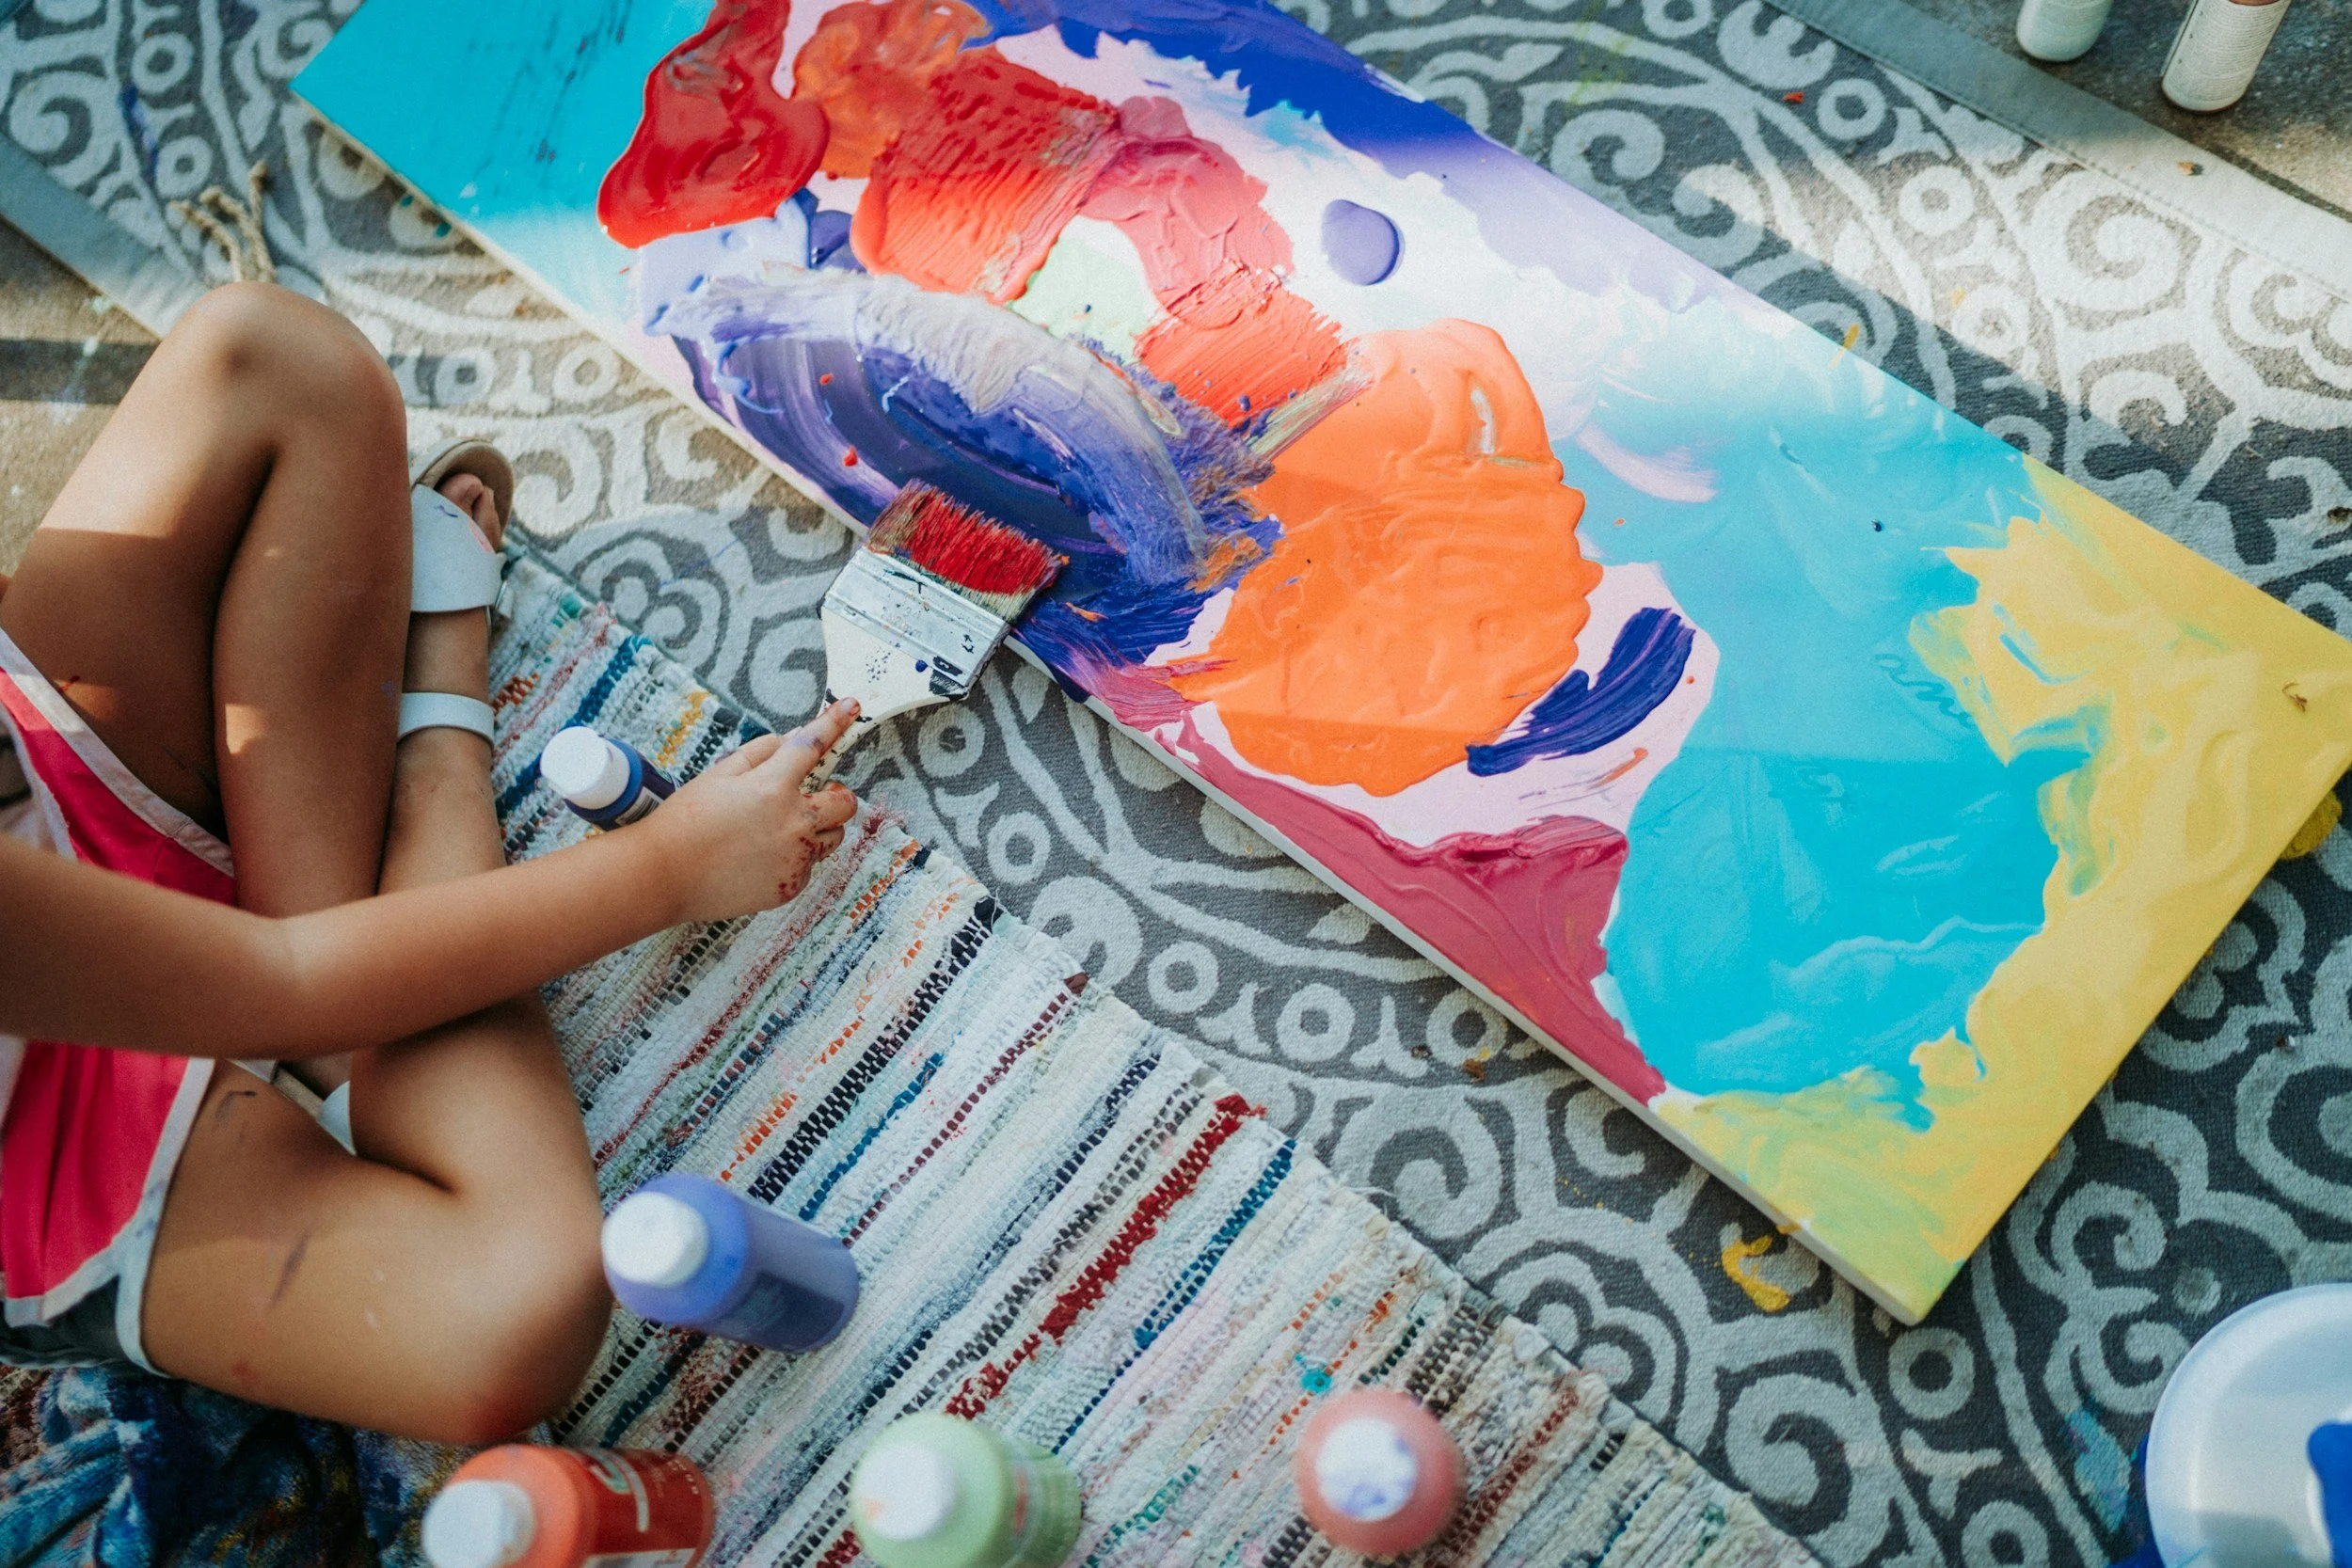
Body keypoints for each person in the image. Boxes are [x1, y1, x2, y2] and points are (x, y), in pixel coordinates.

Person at [0, 282, 861, 1445]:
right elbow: (283, 976)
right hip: (48, 1152)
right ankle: (433, 744)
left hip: (54, 821)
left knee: (273, 357)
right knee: (514, 1314)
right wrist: (668, 867)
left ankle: (349, 1024)